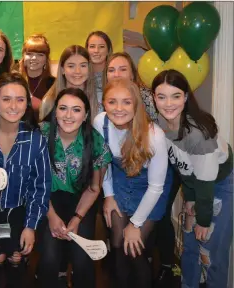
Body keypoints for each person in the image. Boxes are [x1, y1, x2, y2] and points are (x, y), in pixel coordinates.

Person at [0, 72, 51, 288]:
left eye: (20, 99)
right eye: (6, 99)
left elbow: (40, 189)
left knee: (16, 257)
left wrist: (30, 226)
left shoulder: (35, 140)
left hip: (20, 213)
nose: (14, 106)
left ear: (27, 104)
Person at [152, 69, 233, 288]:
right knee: (189, 246)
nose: (168, 103)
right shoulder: (162, 123)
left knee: (210, 252)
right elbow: (183, 169)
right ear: (154, 98)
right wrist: (189, 198)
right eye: (161, 96)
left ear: (186, 97)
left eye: (176, 96)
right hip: (197, 185)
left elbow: (205, 182)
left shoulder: (197, 135)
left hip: (219, 184)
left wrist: (204, 220)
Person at [93, 78, 171, 288]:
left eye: (126, 102)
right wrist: (108, 195)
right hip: (118, 181)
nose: (119, 109)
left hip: (150, 189)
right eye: (112, 102)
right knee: (117, 242)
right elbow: (104, 163)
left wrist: (135, 224)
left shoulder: (154, 135)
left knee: (133, 246)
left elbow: (156, 187)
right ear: (104, 103)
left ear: (136, 104)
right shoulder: (101, 122)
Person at [37, 88, 111, 288]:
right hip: (47, 199)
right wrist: (51, 216)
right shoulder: (41, 134)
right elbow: (34, 183)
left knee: (82, 261)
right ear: (55, 112)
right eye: (63, 108)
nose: (68, 116)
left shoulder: (95, 142)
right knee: (49, 259)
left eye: (76, 110)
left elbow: (94, 188)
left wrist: (77, 218)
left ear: (86, 115)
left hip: (81, 202)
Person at [39, 45, 97, 122]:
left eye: (83, 65)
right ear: (62, 69)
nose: (77, 71)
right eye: (71, 66)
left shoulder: (98, 99)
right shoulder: (49, 101)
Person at [104, 52, 157, 122]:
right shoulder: (105, 96)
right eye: (111, 70)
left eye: (123, 69)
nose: (116, 74)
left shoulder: (145, 96)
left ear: (132, 74)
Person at [16, 34, 56, 119]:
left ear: (46, 59)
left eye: (40, 54)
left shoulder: (54, 85)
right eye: (29, 54)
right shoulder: (14, 81)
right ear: (23, 56)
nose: (34, 58)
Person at [85, 30, 113, 108]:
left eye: (101, 47)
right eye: (92, 46)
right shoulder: (80, 75)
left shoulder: (115, 75)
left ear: (108, 51)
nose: (96, 51)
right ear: (86, 49)